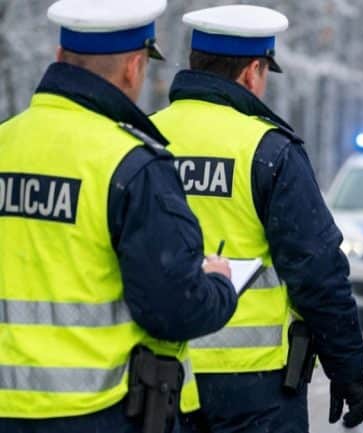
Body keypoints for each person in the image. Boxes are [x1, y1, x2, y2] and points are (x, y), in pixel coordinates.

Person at [0, 0, 239, 432]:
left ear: (59, 58)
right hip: (96, 415)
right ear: (133, 67)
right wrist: (220, 284)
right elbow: (172, 310)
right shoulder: (131, 165)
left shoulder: (5, 142)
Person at [151, 5, 363, 433]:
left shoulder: (142, 140)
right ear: (253, 71)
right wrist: (348, 368)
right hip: (254, 389)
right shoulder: (268, 150)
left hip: (161, 373)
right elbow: (318, 271)